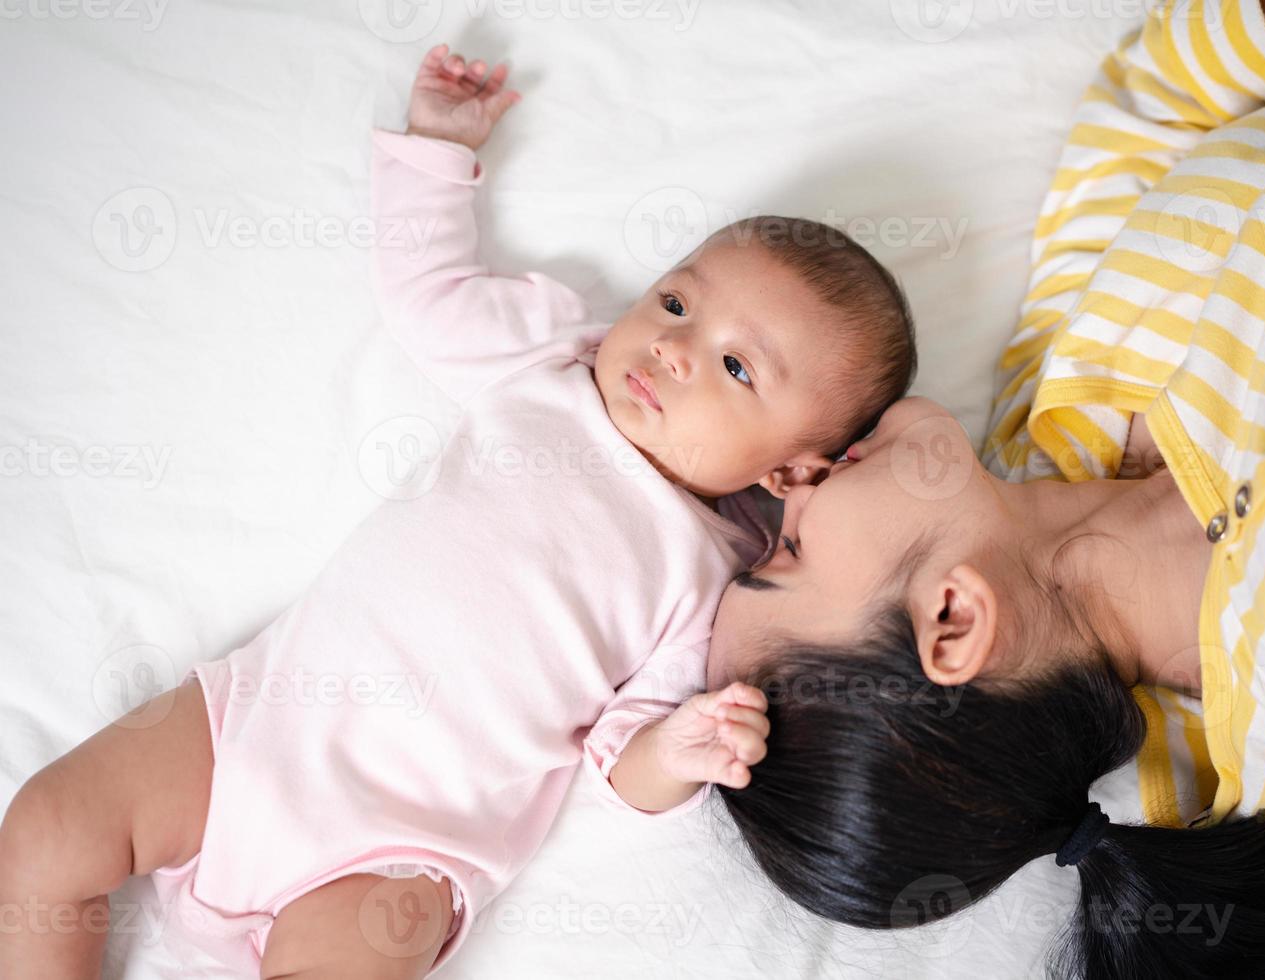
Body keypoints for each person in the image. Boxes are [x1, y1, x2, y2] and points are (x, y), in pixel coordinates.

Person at [0, 44, 916, 979]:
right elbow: (428, 292)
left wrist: (676, 752)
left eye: (735, 366)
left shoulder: (706, 580)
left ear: (795, 470)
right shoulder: (553, 367)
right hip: (249, 727)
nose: (676, 348)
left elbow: (618, 761)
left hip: (402, 845)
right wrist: (432, 156)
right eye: (677, 300)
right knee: (45, 828)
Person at [708, 0, 1265, 974]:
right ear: (952, 621)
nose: (788, 481)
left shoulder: (1056, 438)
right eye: (789, 547)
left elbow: (1150, 107)